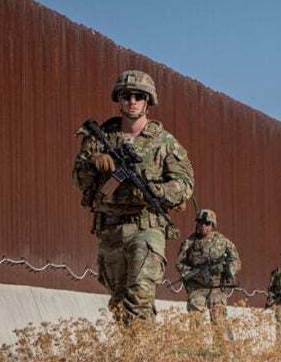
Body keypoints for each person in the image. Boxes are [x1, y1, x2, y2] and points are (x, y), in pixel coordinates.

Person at [72, 70, 194, 323]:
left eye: (139, 96)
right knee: (120, 302)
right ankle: (139, 349)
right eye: (126, 95)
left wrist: (154, 191)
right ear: (119, 99)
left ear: (148, 100)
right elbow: (77, 181)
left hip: (146, 228)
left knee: (139, 293)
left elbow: (184, 185)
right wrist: (93, 164)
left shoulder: (164, 142)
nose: (132, 101)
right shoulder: (99, 138)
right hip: (110, 230)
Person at [175, 209, 241, 339]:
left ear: (213, 225)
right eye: (200, 223)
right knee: (195, 320)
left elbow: (236, 261)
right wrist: (191, 273)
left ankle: (222, 353)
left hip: (217, 287)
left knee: (219, 321)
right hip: (197, 287)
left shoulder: (223, 241)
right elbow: (179, 263)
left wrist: (227, 270)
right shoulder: (190, 242)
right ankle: (197, 353)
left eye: (207, 223)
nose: (203, 226)